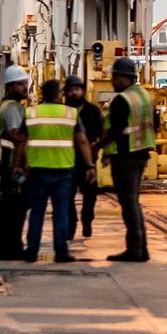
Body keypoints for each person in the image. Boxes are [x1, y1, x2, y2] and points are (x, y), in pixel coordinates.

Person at [22, 77, 86, 262]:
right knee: (61, 212)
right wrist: (90, 165)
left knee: (36, 212)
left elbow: (20, 141)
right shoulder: (71, 113)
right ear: (58, 94)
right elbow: (82, 140)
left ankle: (32, 250)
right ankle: (61, 251)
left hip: (37, 170)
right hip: (63, 170)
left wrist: (19, 164)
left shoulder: (31, 113)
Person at [105, 57, 158, 262]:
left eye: (114, 77)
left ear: (122, 78)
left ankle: (135, 249)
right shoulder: (146, 96)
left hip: (125, 156)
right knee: (133, 203)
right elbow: (155, 122)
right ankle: (140, 248)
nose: (111, 81)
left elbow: (115, 131)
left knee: (128, 204)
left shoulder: (123, 100)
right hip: (142, 154)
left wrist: (97, 147)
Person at [0, 66, 33, 262]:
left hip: (6, 164)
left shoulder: (5, 105)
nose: (25, 87)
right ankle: (12, 246)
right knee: (15, 208)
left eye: (25, 82)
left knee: (7, 207)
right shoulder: (13, 108)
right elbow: (17, 137)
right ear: (10, 86)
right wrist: (22, 164)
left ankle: (1, 246)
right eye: (21, 84)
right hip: (12, 165)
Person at [64, 75, 105, 242]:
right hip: (68, 160)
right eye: (71, 90)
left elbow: (101, 131)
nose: (74, 93)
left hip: (88, 161)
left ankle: (87, 221)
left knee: (90, 194)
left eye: (77, 89)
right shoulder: (64, 111)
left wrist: (96, 146)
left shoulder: (93, 111)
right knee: (67, 196)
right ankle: (71, 226)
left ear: (82, 91)